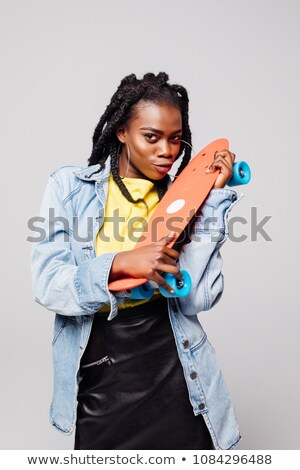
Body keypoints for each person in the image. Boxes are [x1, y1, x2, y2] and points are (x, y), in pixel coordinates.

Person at [31, 72, 242, 450]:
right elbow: (48, 283)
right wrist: (120, 264)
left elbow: (196, 299)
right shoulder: (69, 188)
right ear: (122, 132)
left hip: (174, 360)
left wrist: (213, 201)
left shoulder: (182, 200)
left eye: (176, 139)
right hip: (104, 360)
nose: (167, 151)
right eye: (152, 137)